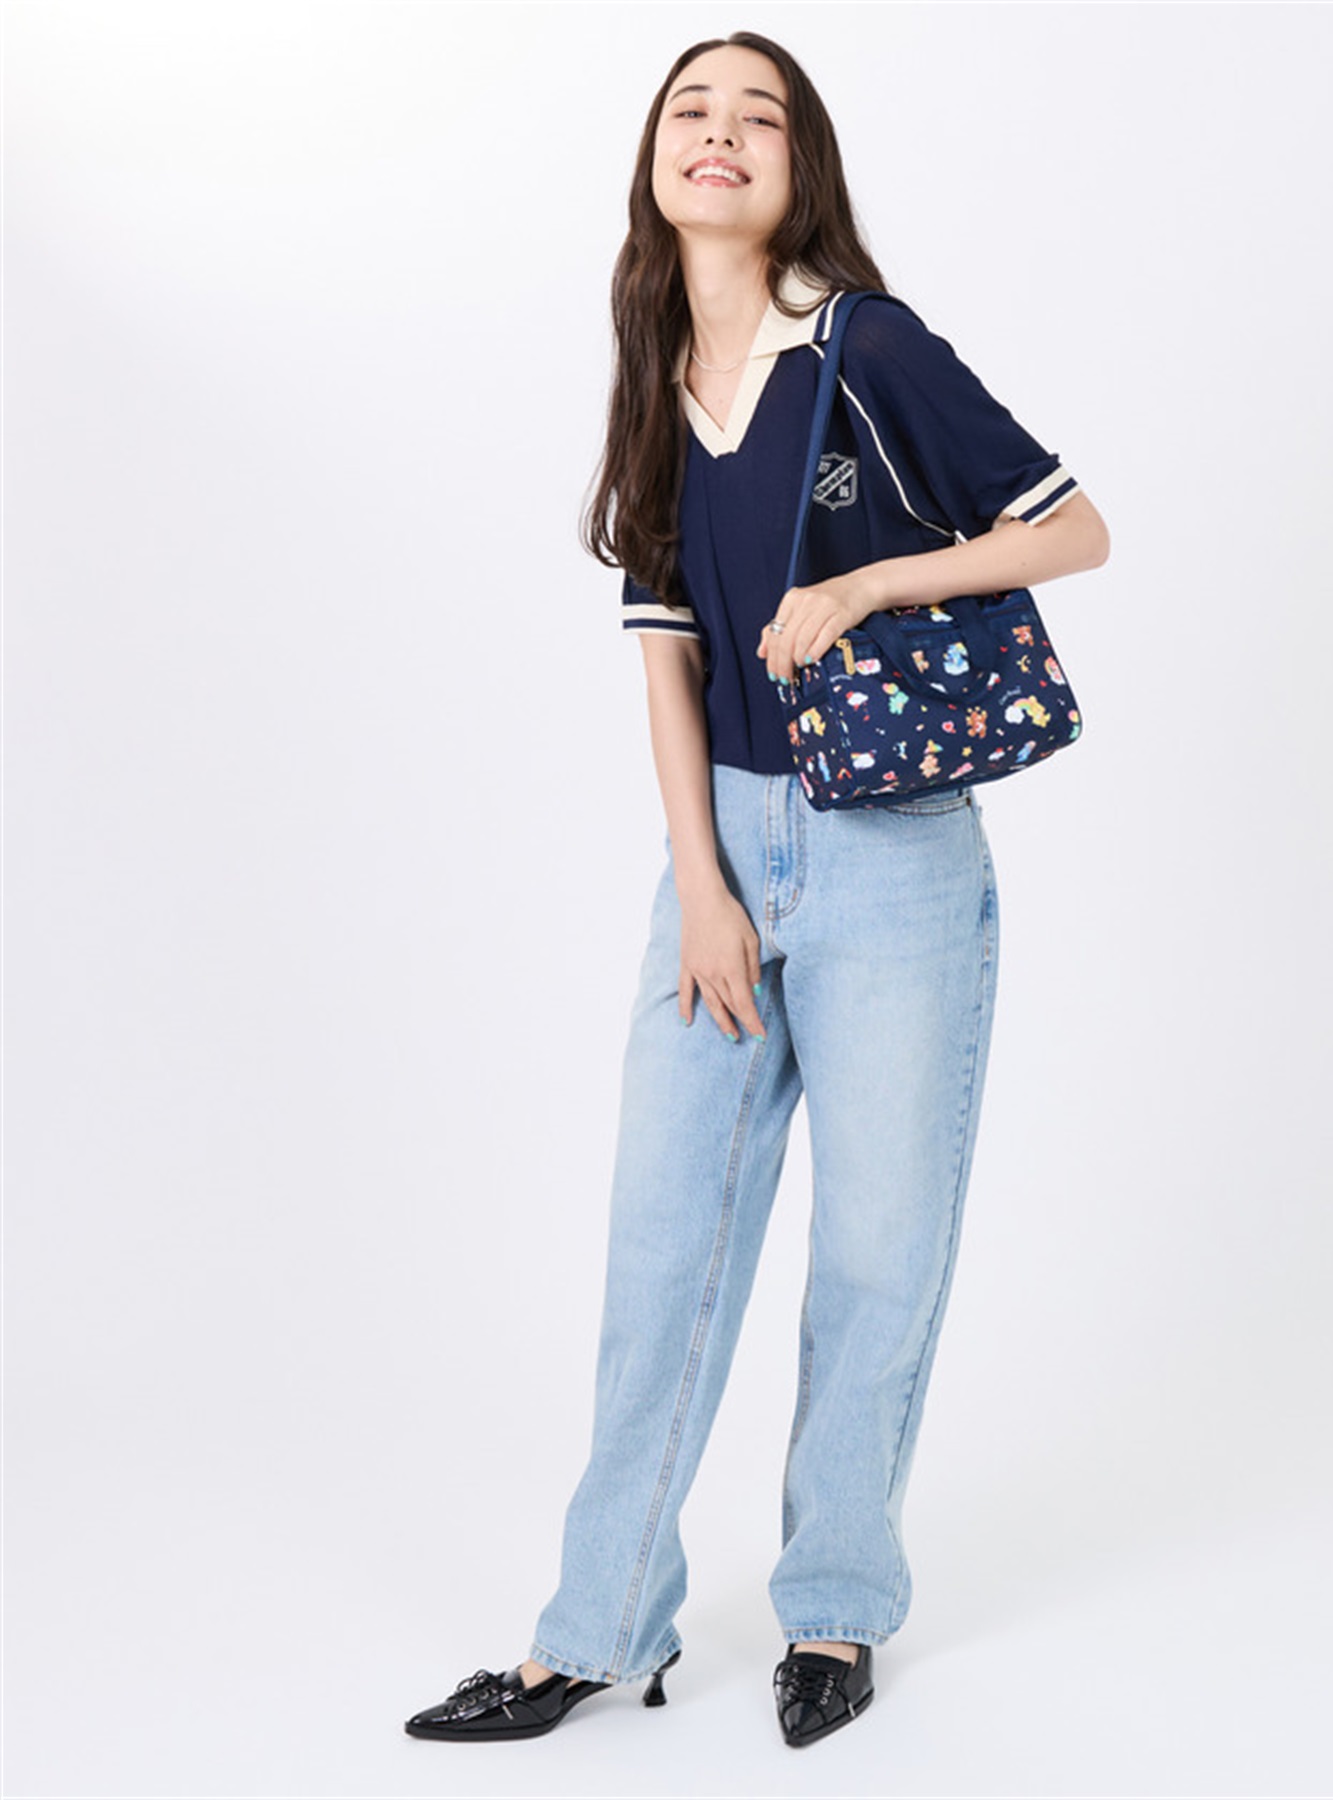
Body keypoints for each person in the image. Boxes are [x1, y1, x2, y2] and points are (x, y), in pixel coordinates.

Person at [405, 29, 1109, 1751]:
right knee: (665, 1252)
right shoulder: (660, 364)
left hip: (894, 855)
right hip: (718, 854)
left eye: (758, 115)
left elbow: (1074, 527)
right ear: (657, 157)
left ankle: (837, 1608)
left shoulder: (869, 344)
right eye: (690, 110)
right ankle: (594, 1630)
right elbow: (663, 654)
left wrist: (868, 583)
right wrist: (699, 884)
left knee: (877, 1254)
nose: (718, 133)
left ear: (802, 167)